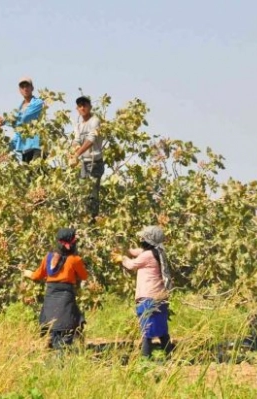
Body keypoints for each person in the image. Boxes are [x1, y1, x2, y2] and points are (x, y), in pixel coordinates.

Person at [22, 228, 89, 349]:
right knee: (67, 330)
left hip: (50, 299)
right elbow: (84, 276)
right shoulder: (75, 260)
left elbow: (37, 276)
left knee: (53, 332)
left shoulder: (48, 257)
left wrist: (28, 273)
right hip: (66, 299)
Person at [116, 226, 173, 359]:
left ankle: (145, 359)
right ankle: (170, 356)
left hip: (149, 297)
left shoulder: (148, 255)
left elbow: (131, 264)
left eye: (143, 238)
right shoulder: (158, 251)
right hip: (160, 297)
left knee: (147, 332)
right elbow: (137, 251)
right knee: (161, 330)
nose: (141, 240)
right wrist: (125, 248)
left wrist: (122, 258)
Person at [0, 77, 45, 163]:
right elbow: (18, 134)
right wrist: (4, 151)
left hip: (37, 148)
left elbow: (24, 118)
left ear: (32, 88)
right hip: (26, 150)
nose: (25, 88)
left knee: (37, 172)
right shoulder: (19, 109)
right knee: (27, 175)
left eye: (27, 86)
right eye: (22, 87)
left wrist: (5, 121)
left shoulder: (38, 103)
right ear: (19, 90)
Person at [69, 96, 104, 219]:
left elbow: (91, 140)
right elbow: (76, 140)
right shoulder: (78, 125)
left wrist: (77, 154)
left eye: (85, 105)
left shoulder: (95, 121)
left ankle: (93, 220)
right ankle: (85, 218)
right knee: (83, 193)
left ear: (90, 106)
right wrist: (71, 153)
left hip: (95, 162)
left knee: (93, 194)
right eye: (80, 106)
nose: (82, 108)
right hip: (84, 163)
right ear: (77, 109)